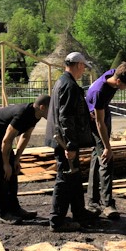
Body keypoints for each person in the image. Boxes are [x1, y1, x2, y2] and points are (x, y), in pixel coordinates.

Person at [0, 95, 50, 224]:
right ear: (42, 107)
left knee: (13, 171)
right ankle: (3, 213)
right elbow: (7, 140)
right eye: (51, 109)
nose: (53, 112)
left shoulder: (35, 115)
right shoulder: (22, 114)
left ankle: (14, 209)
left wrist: (16, 160)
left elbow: (25, 136)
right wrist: (5, 164)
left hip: (0, 138)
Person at [48, 52, 99, 232]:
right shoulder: (69, 85)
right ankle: (57, 220)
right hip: (64, 142)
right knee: (64, 179)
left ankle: (79, 213)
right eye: (83, 66)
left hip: (64, 139)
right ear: (78, 65)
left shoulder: (63, 82)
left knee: (74, 178)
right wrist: (70, 145)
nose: (84, 70)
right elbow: (66, 117)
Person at [85, 61, 126, 220]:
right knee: (106, 159)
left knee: (96, 157)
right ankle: (107, 204)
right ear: (118, 81)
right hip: (95, 119)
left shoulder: (115, 73)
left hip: (103, 111)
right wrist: (107, 147)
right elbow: (99, 123)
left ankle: (92, 201)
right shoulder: (100, 92)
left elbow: (124, 65)